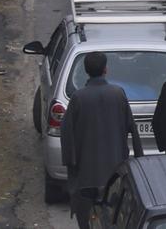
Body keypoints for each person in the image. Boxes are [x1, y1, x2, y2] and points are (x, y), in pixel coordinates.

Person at [61, 52, 144, 229]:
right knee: (115, 218)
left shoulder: (78, 98)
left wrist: (71, 164)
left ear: (86, 71)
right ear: (106, 69)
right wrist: (139, 159)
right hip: (114, 171)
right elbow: (132, 127)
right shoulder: (118, 94)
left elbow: (67, 134)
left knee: (86, 219)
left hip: (86, 173)